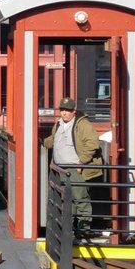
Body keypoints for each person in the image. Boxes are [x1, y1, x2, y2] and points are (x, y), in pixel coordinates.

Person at [43, 97, 104, 237]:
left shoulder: (82, 125)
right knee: (66, 200)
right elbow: (52, 140)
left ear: (74, 111)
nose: (64, 113)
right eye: (62, 110)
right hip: (60, 168)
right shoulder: (58, 124)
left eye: (68, 110)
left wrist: (81, 162)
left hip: (74, 168)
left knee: (80, 198)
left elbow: (92, 144)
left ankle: (83, 229)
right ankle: (67, 229)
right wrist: (40, 141)